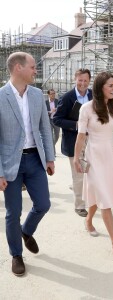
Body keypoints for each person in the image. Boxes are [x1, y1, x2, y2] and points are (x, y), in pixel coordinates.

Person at [0, 52, 55, 276]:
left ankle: (26, 231)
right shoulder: (1, 96)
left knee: (43, 204)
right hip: (10, 163)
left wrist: (49, 157)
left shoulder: (36, 94)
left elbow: (45, 128)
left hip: (35, 159)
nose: (36, 71)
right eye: (33, 67)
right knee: (13, 212)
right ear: (18, 68)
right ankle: (16, 255)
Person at [73, 71, 113, 262]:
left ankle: (89, 220)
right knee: (105, 199)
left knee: (99, 193)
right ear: (100, 87)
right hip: (93, 156)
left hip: (109, 156)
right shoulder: (87, 108)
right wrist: (76, 158)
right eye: (110, 85)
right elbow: (81, 136)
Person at [53, 68, 92, 217]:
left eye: (85, 81)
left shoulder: (93, 96)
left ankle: (86, 195)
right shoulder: (67, 97)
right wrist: (77, 125)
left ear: (89, 81)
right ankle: (80, 205)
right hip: (74, 141)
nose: (82, 83)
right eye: (80, 80)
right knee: (79, 174)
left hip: (91, 140)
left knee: (91, 172)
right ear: (75, 80)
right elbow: (56, 119)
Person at [45, 89, 60, 155]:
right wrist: (51, 111)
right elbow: (44, 113)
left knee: (57, 136)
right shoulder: (45, 102)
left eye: (54, 93)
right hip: (49, 121)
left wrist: (57, 110)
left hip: (56, 121)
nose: (53, 95)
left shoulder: (58, 101)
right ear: (48, 95)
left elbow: (62, 110)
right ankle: (53, 153)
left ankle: (51, 147)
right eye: (51, 94)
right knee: (50, 137)